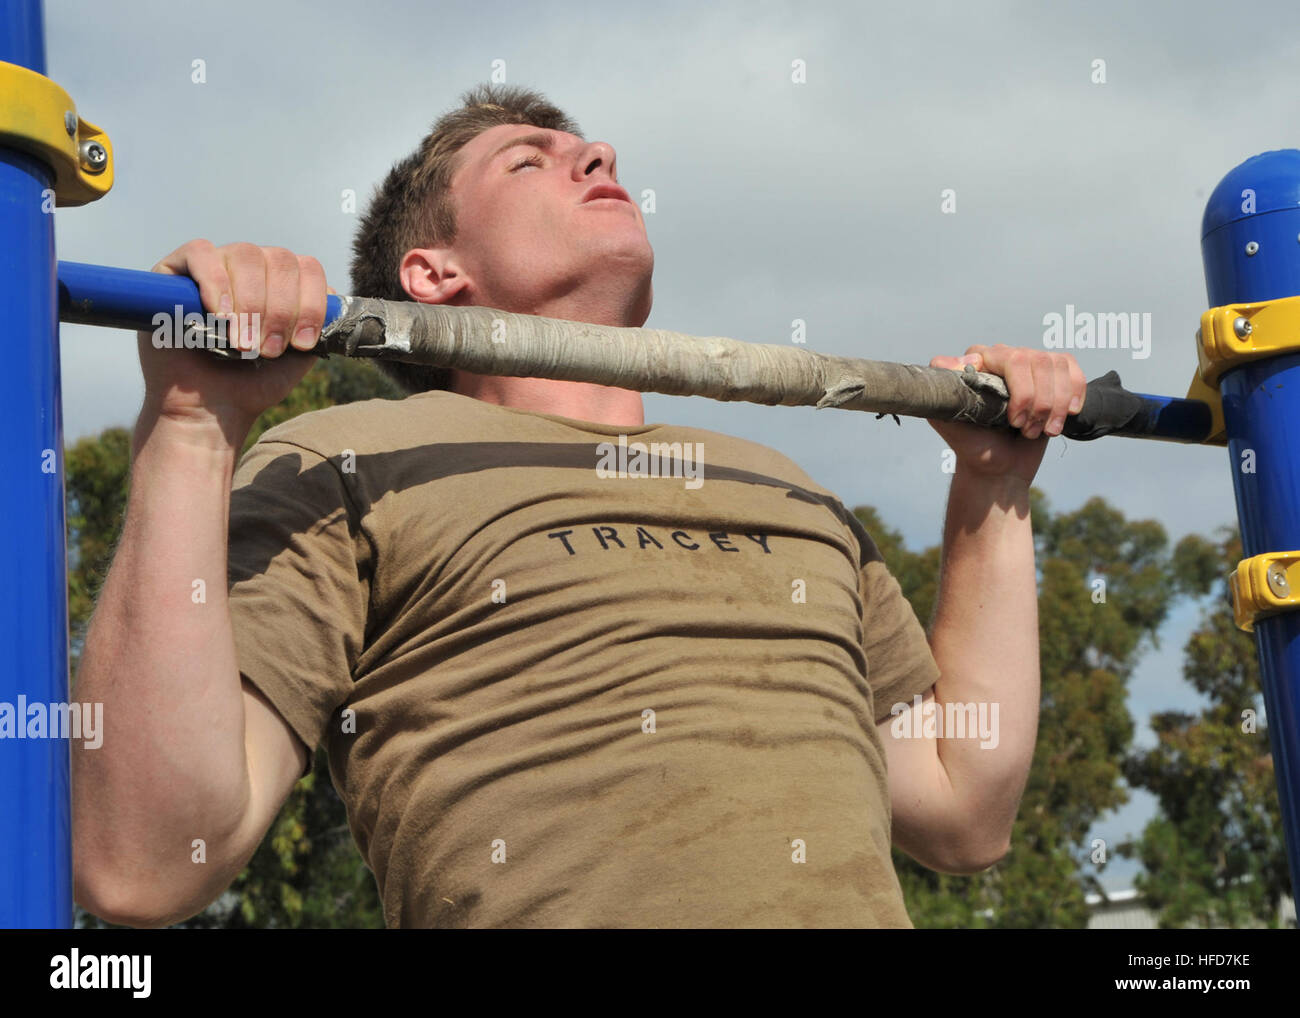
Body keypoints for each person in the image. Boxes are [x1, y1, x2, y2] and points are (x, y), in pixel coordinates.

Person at [71, 84, 1086, 928]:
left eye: (590, 148)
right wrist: (195, 426)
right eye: (528, 159)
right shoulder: (346, 459)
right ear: (432, 274)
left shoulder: (779, 482)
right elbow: (145, 862)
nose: (595, 154)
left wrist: (993, 490)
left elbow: (962, 802)